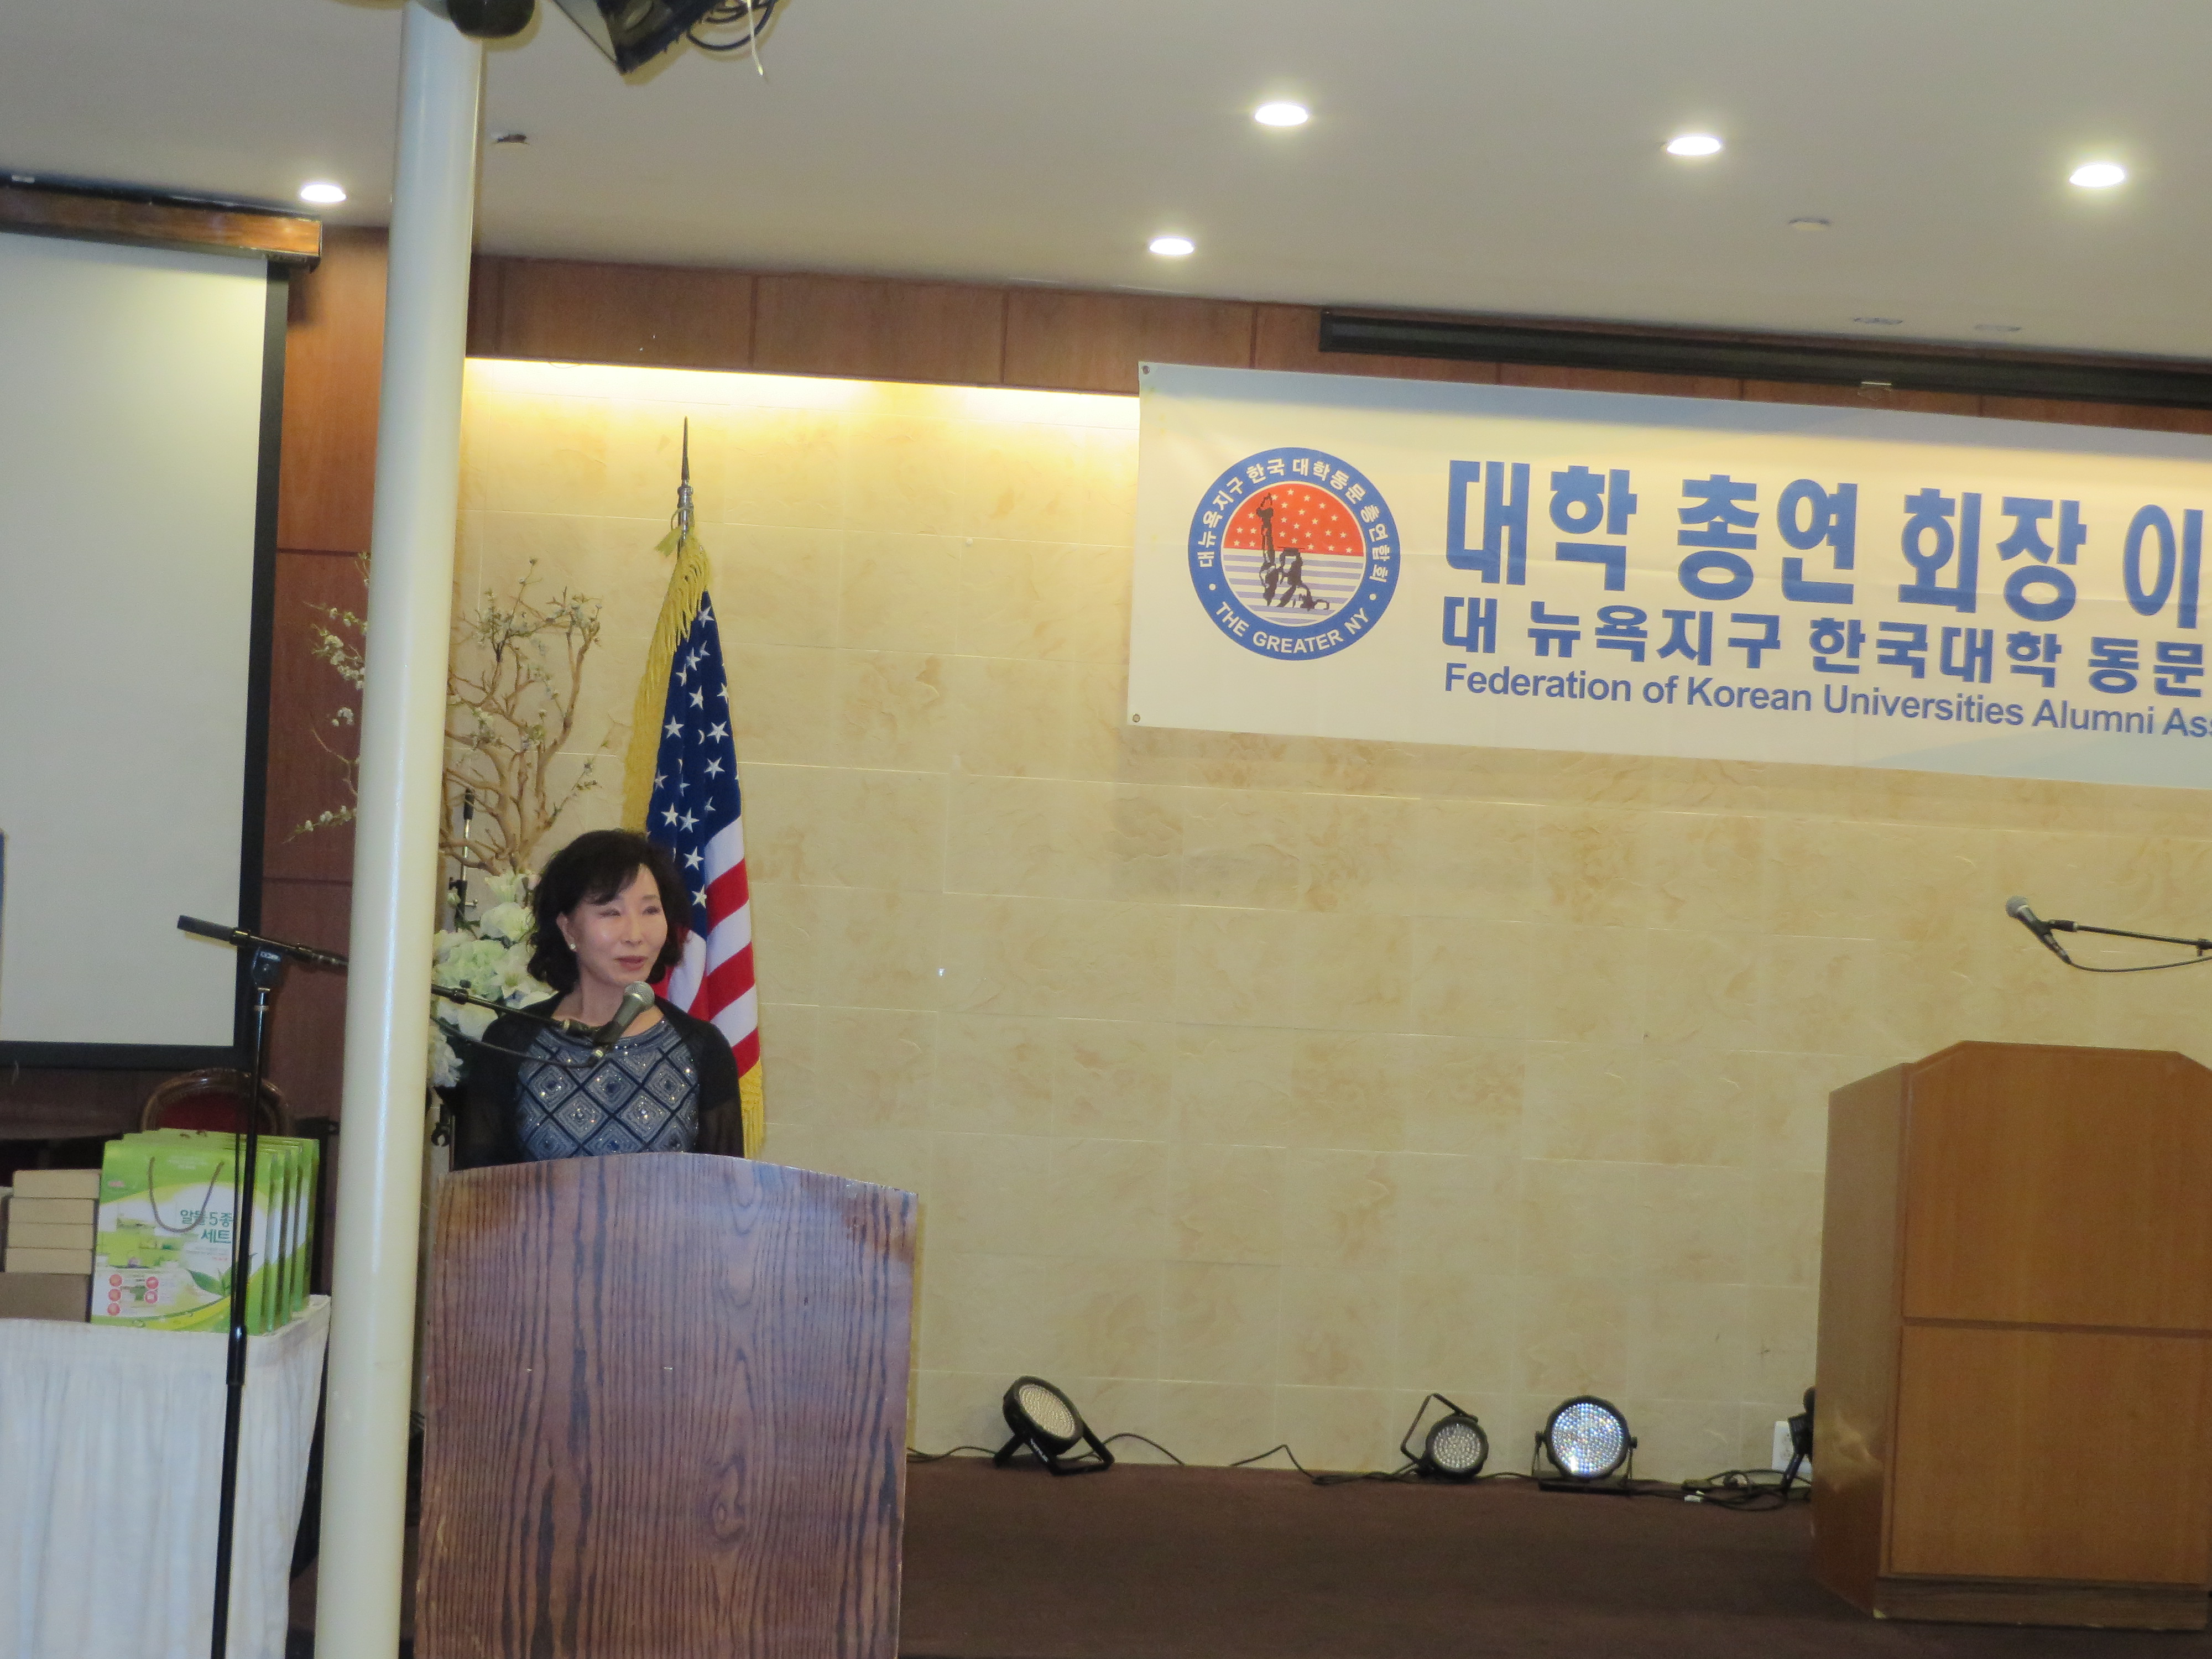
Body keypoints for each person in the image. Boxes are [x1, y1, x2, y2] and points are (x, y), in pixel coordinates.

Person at [452, 828, 744, 1169]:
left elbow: (726, 1191)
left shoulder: (703, 1047)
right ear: (568, 928)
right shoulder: (511, 1042)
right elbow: (478, 1191)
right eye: (611, 913)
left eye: (651, 911)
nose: (635, 935)